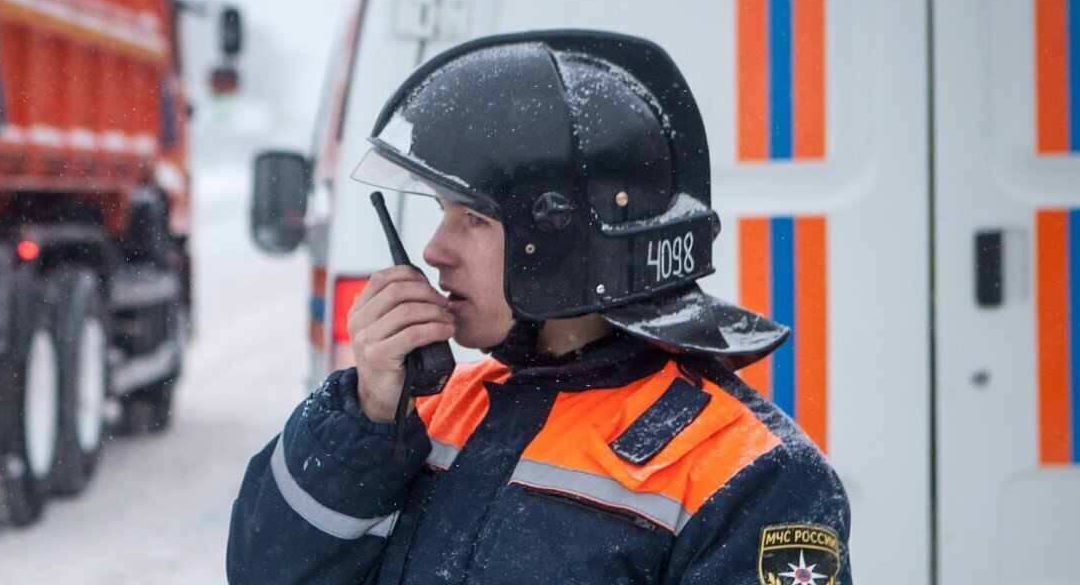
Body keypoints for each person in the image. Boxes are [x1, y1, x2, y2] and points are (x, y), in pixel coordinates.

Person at [227, 30, 851, 584]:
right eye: (441, 214)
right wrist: (365, 414)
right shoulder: (433, 410)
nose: (434, 250)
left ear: (567, 244)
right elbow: (265, 571)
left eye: (472, 219)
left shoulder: (751, 478)